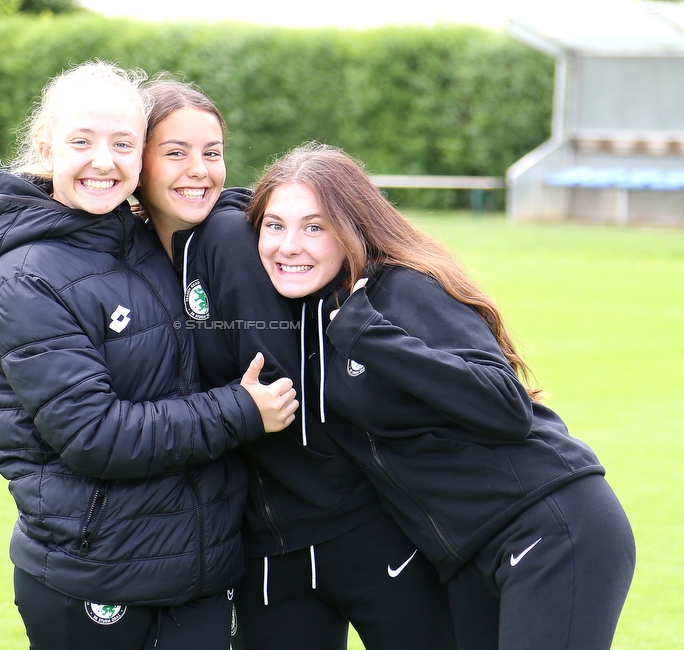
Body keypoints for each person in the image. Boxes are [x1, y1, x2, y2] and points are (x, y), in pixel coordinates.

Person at [248, 141, 637, 650]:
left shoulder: (401, 290)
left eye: (314, 227)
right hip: (462, 553)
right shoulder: (314, 313)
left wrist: (374, 337)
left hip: (548, 525)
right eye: (274, 225)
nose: (289, 245)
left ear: (352, 228)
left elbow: (506, 405)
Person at [0, 60, 298, 650]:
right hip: (98, 573)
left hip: (200, 569)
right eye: (82, 141)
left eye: (123, 143)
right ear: (46, 149)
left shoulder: (146, 242)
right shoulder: (28, 278)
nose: (104, 161)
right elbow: (96, 436)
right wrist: (243, 410)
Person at [134, 79, 457, 650]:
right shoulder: (136, 250)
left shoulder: (230, 239)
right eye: (176, 152)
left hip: (351, 523)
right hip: (261, 542)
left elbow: (283, 392)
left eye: (212, 153)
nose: (200, 169)